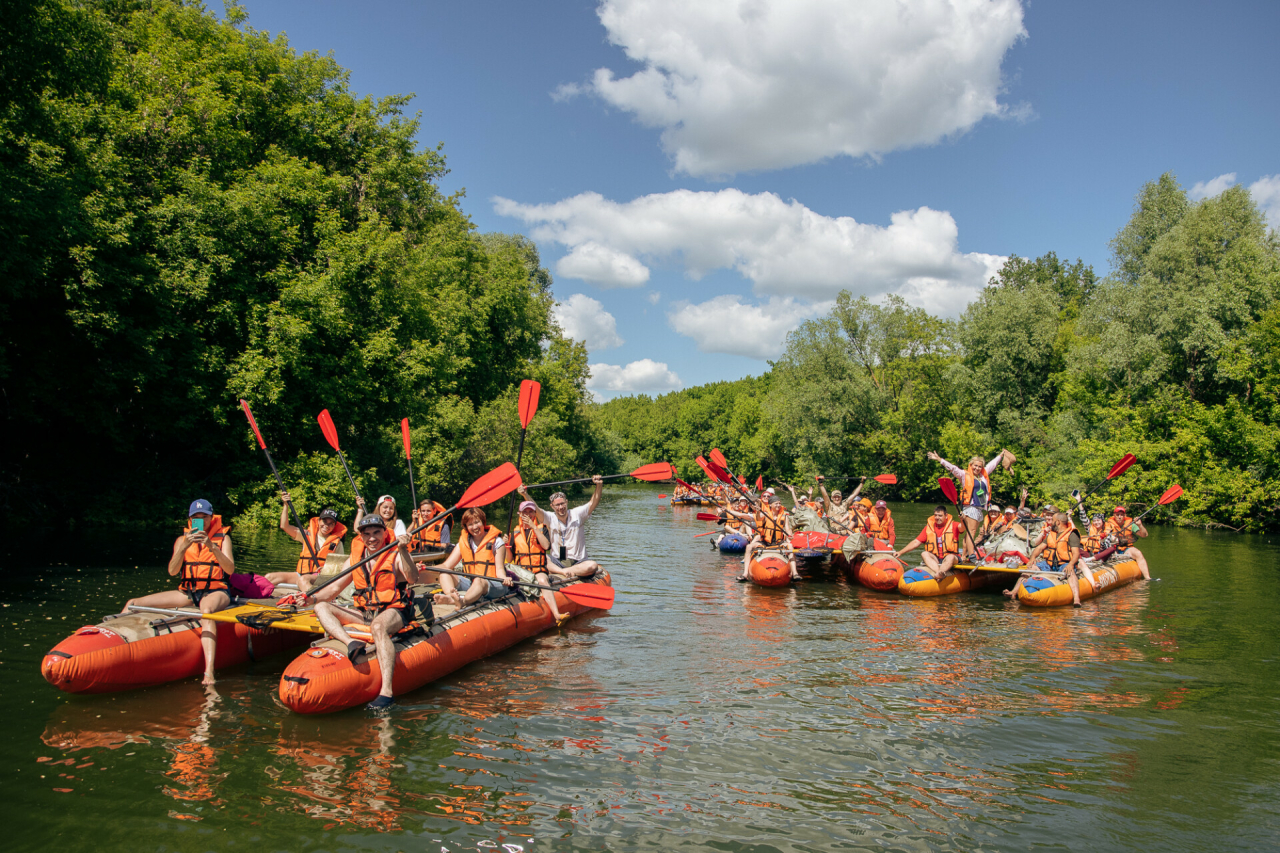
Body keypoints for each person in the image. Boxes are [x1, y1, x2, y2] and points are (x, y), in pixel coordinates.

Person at [305, 514, 417, 709]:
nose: (372, 538)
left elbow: (413, 577)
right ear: (361, 537)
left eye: (376, 533)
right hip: (366, 612)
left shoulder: (396, 553)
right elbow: (333, 590)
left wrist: (403, 550)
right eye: (367, 534)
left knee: (379, 626)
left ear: (384, 532)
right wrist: (309, 598)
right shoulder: (355, 558)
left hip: (395, 610)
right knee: (321, 607)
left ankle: (387, 692)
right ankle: (351, 643)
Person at [123, 499, 236, 686]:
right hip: (188, 592)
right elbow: (173, 571)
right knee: (133, 602)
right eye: (196, 517)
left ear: (211, 517)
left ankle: (209, 672)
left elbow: (230, 569)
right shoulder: (180, 541)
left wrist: (211, 546)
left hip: (216, 591)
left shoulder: (223, 539)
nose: (201, 521)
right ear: (190, 519)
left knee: (206, 612)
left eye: (205, 517)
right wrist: (184, 546)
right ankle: (112, 639)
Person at [926, 449, 1009, 559]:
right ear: (971, 465)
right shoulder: (964, 475)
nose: (977, 468)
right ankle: (972, 555)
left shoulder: (983, 476)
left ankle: (964, 556)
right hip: (970, 507)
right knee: (972, 532)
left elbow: (992, 465)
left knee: (969, 534)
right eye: (975, 466)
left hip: (979, 509)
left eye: (979, 466)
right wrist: (940, 459)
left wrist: (1000, 455)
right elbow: (953, 468)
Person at [515, 475, 604, 575]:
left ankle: (565, 571)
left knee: (592, 566)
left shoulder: (578, 514)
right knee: (543, 558)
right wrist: (525, 494)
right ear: (552, 506)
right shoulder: (549, 517)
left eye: (562, 504)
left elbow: (593, 502)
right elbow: (536, 508)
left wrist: (599, 485)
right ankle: (562, 571)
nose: (560, 507)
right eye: (557, 505)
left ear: (566, 502)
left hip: (578, 561)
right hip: (557, 561)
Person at [432, 507, 515, 608]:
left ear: (483, 522)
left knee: (479, 580)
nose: (474, 527)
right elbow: (446, 565)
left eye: (477, 522)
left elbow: (500, 570)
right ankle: (451, 597)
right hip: (471, 583)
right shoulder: (463, 543)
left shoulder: (497, 542)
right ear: (466, 527)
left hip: (494, 584)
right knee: (444, 572)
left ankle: (463, 602)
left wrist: (504, 578)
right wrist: (423, 569)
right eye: (470, 524)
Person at [266, 496, 346, 593]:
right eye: (324, 522)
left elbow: (340, 567)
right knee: (270, 577)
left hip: (320, 578)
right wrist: (286, 505)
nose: (326, 526)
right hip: (301, 574)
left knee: (303, 580)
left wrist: (326, 569)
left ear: (334, 526)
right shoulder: (306, 534)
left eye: (331, 524)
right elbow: (284, 526)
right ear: (319, 521)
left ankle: (315, 601)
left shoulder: (337, 543)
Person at [509, 500, 571, 627]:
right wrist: (505, 546)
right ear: (519, 514)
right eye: (525, 512)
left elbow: (546, 545)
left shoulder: (542, 529)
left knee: (542, 580)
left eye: (531, 511)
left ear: (535, 513)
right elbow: (509, 558)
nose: (528, 514)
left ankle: (556, 615)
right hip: (521, 572)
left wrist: (533, 527)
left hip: (537, 571)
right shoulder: (514, 533)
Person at [1009, 512, 1090, 607]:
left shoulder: (1072, 535)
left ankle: (1076, 599)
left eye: (1053, 521)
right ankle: (1014, 592)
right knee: (1030, 569)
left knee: (1071, 572)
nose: (1051, 522)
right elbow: (1039, 548)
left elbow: (1076, 553)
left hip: (1064, 563)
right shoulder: (1051, 535)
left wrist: (1071, 564)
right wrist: (1032, 558)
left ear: (1058, 522)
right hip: (1048, 564)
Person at [893, 506, 963, 580]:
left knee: (950, 557)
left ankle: (941, 572)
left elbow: (962, 527)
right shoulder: (929, 527)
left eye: (940, 515)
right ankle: (939, 573)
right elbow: (916, 542)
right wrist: (900, 552)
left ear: (946, 516)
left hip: (951, 557)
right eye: (935, 515)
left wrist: (962, 520)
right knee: (924, 553)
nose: (937, 517)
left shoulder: (954, 525)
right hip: (936, 558)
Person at [1104, 505, 1151, 579]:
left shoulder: (1131, 524)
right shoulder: (1109, 524)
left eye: (1122, 515)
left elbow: (1144, 535)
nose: (1119, 517)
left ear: (1124, 516)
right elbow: (1106, 536)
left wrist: (1140, 525)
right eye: (1117, 515)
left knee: (1138, 553)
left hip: (1127, 549)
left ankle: (1147, 578)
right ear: (1114, 515)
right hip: (1113, 549)